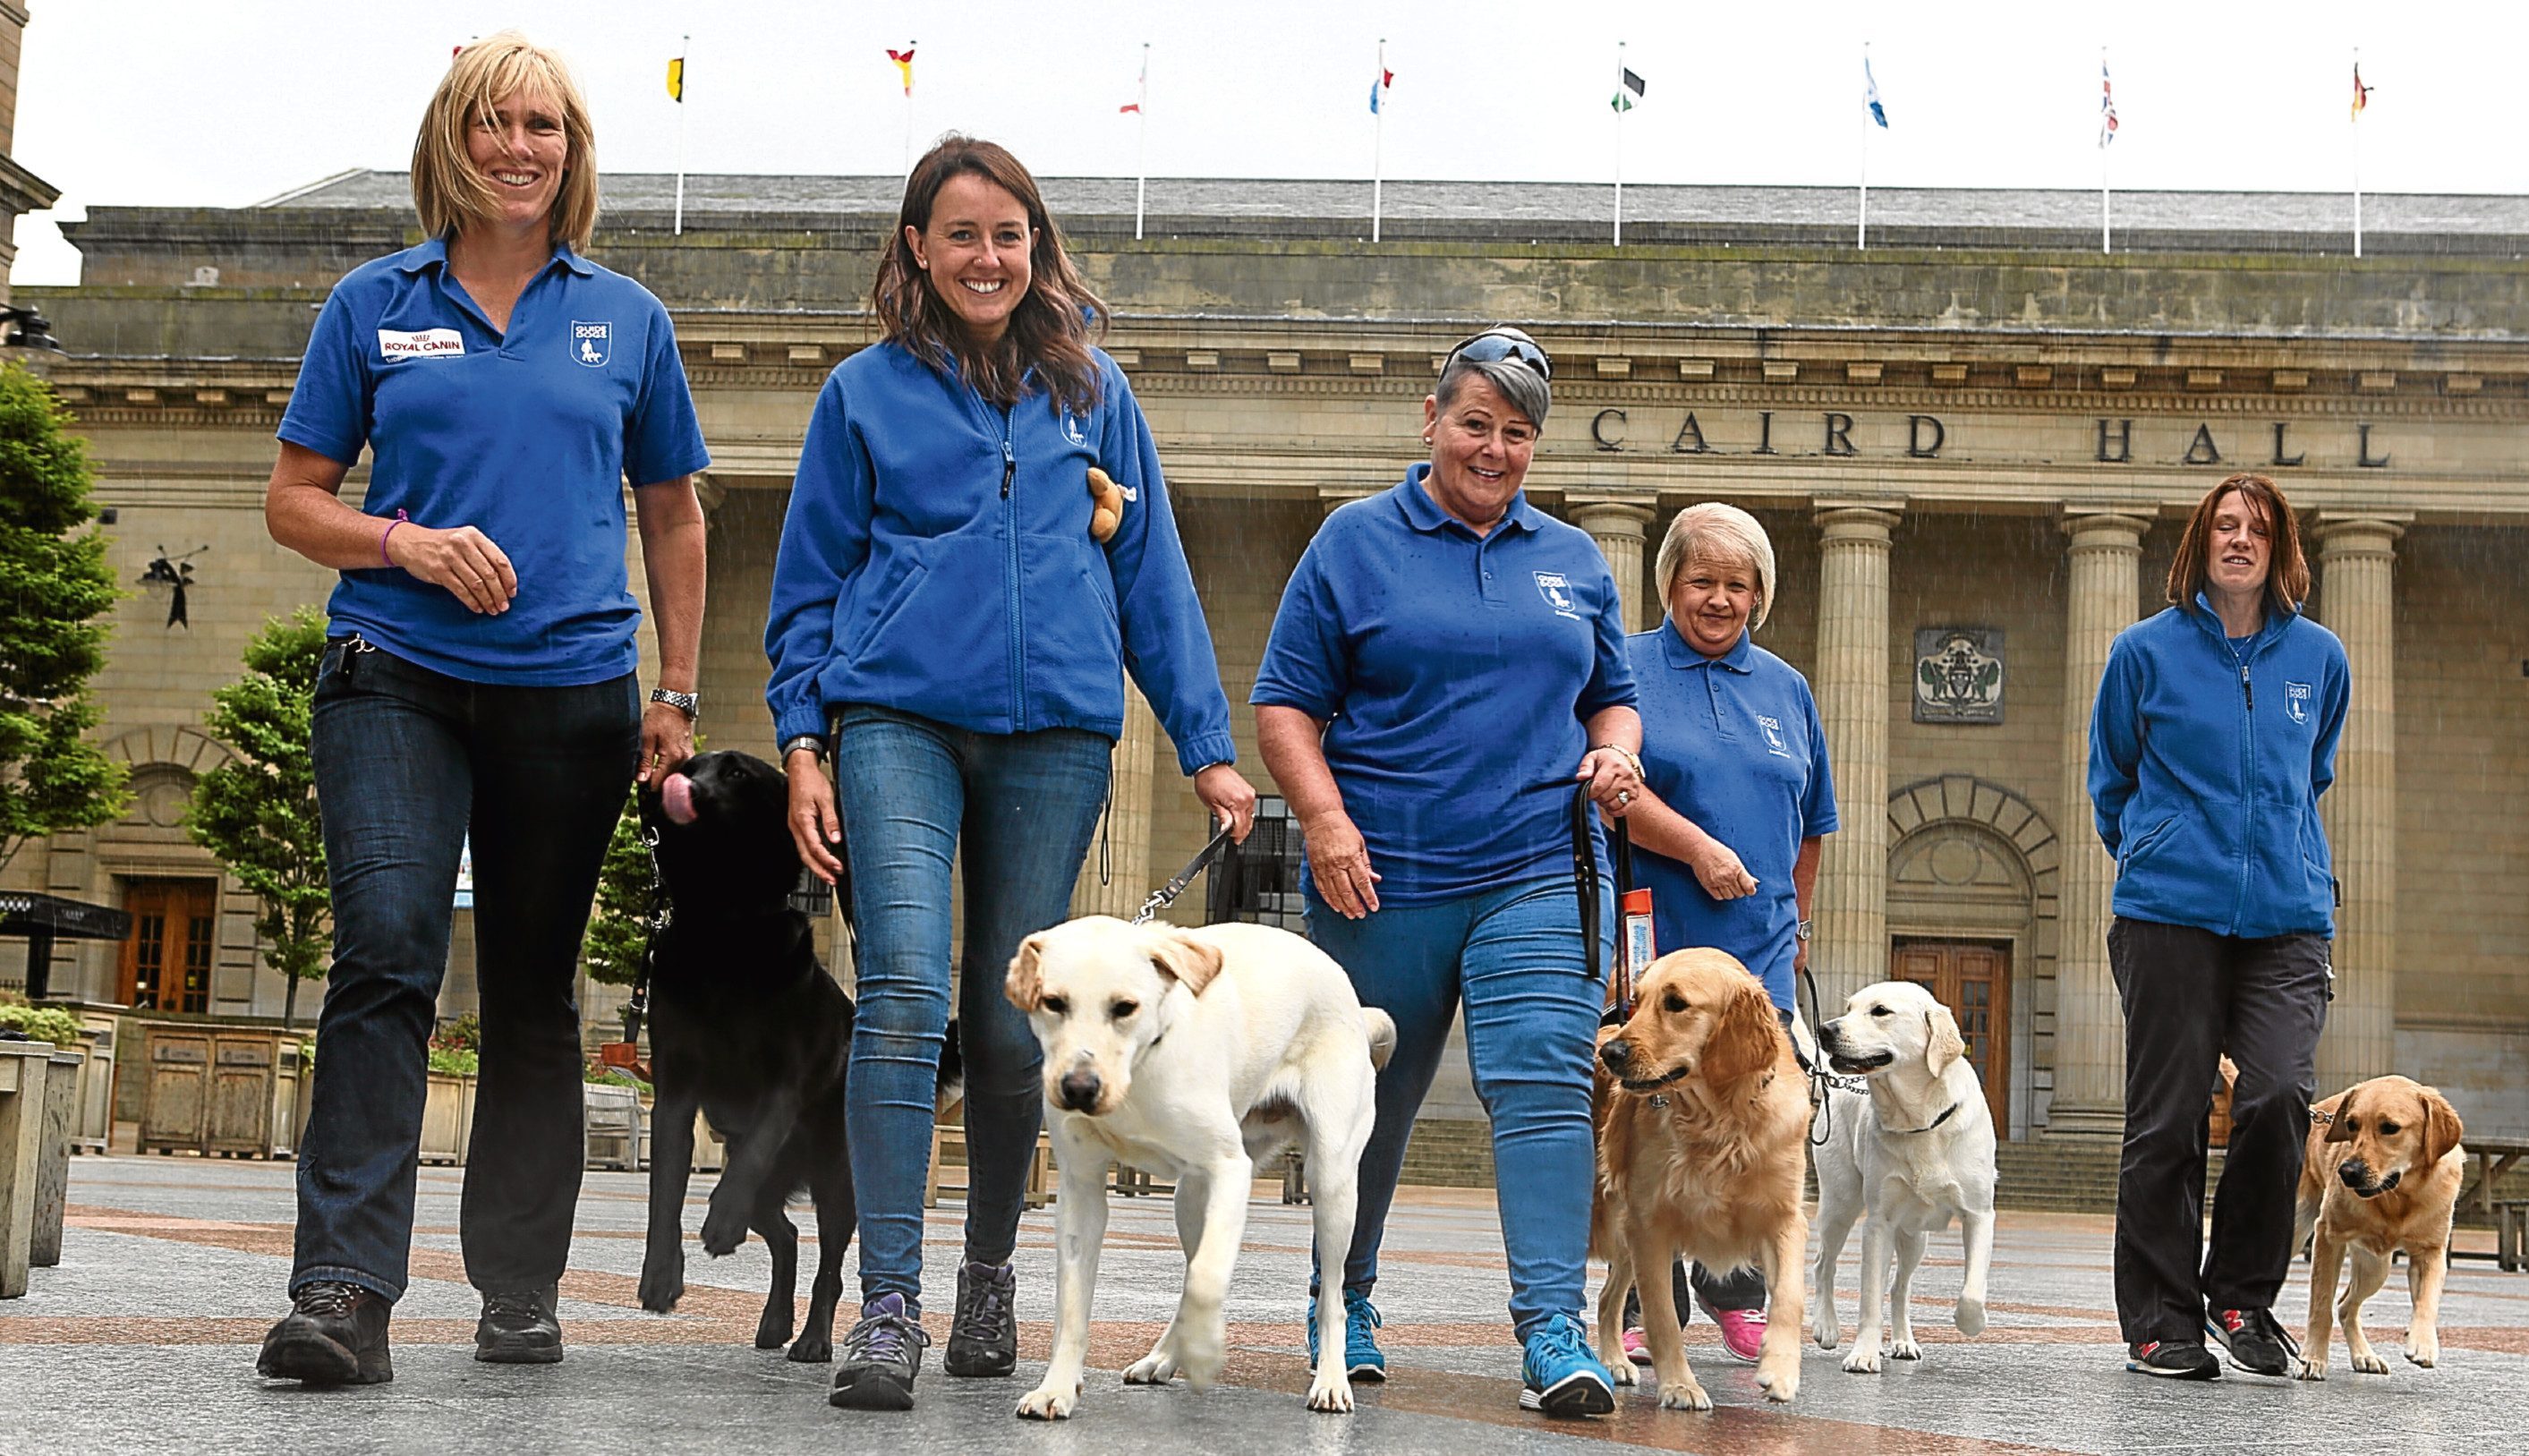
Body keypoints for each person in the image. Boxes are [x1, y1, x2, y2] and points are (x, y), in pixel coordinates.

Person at [765, 136, 1257, 1413]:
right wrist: (802, 740)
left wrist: (1206, 746)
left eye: (1010, 234)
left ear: (1036, 248)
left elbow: (1152, 580)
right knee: (902, 990)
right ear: (917, 251)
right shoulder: (859, 394)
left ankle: (987, 1273)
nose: (988, 257)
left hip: (1055, 734)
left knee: (1012, 1012)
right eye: (962, 234)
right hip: (895, 721)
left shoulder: (1095, 397)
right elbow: (808, 584)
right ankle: (887, 1302)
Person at [255, 32, 710, 1385]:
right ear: (451, 139)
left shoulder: (625, 317)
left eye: (547, 127)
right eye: (497, 123)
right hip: (392, 669)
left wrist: (675, 687)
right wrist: (405, 543)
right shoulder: (370, 303)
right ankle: (342, 1289)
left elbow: (676, 513)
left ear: (573, 153)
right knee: (386, 950)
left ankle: (518, 1288)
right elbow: (293, 498)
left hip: (571, 689)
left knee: (530, 991)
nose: (522, 147)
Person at [1252, 327, 1640, 1418]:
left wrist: (1619, 746)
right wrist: (1322, 822)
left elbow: (1611, 690)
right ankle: (1346, 1298)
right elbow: (1285, 702)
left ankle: (1552, 1327)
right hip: (1383, 875)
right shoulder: (1352, 542)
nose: (1495, 448)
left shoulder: (1571, 560)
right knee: (1363, 1098)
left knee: (1543, 1087)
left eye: (1517, 433)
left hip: (1537, 867)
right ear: (1431, 422)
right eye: (1476, 423)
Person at [2090, 473, 2349, 1381]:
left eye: (2258, 529)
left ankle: (2240, 1295)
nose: (2239, 540)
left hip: (2285, 914)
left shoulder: (2319, 659)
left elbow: (2309, 770)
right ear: (2199, 544)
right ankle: (2160, 1319)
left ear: (2280, 549)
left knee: (2278, 1095)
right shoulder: (2141, 653)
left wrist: (2273, 850)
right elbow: (2110, 780)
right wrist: (2161, 849)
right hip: (2168, 912)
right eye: (2223, 526)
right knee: (2165, 1118)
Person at [1614, 502, 1835, 1366]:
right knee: (1653, 1120)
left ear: (1760, 595)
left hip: (1758, 950)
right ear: (1669, 582)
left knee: (1749, 1109)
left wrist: (1799, 920)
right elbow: (1610, 790)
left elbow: (1812, 821)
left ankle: (1737, 1283)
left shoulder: (1787, 687)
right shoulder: (1625, 670)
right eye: (1701, 580)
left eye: (1736, 584)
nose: (1718, 598)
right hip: (1655, 944)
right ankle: (1650, 1289)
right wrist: (1699, 848)